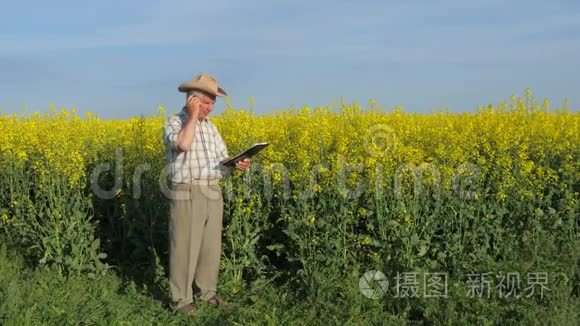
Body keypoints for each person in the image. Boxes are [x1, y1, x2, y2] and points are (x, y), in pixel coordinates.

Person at [163, 73, 251, 317]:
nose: (210, 108)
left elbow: (221, 158)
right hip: (187, 191)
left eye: (213, 103)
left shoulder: (211, 128)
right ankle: (181, 300)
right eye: (206, 102)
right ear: (192, 100)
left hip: (213, 189)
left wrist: (236, 163)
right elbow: (182, 145)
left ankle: (207, 293)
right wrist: (191, 117)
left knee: (210, 246)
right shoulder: (175, 122)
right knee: (184, 246)